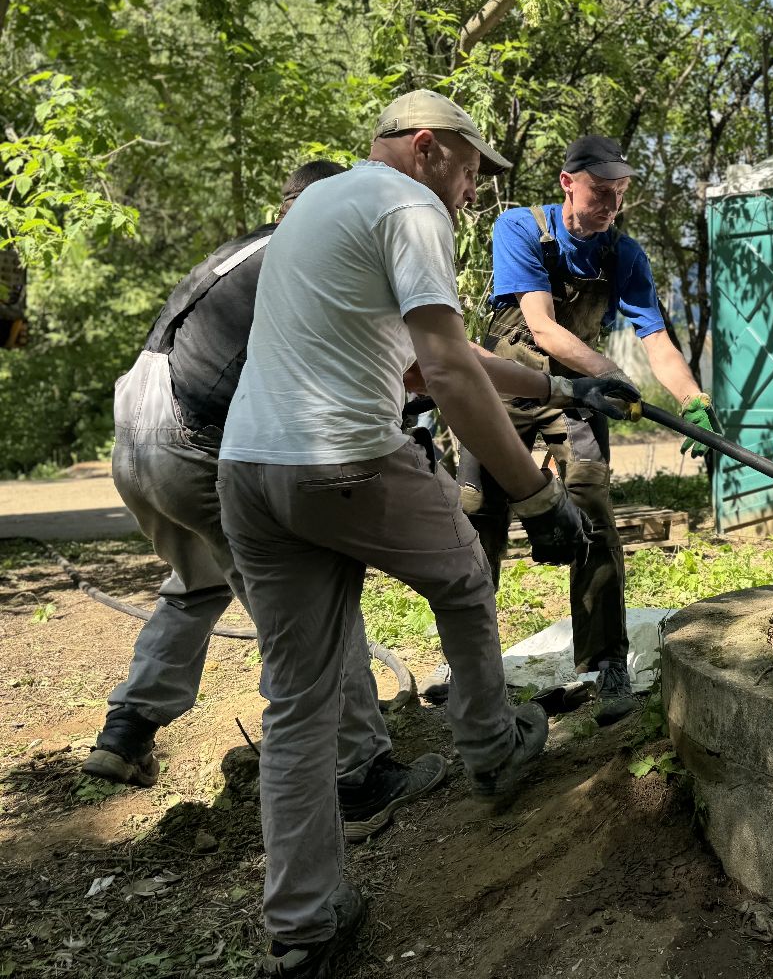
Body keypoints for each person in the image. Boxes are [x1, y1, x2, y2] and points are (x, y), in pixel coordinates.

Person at [216, 90, 639, 978]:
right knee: (461, 575)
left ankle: (304, 923)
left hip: (250, 470)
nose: (476, 191)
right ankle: (493, 747)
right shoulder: (409, 206)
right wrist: (533, 496)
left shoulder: (319, 208)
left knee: (297, 701)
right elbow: (444, 373)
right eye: (472, 168)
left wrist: (561, 393)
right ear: (427, 147)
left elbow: (415, 356)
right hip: (342, 459)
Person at [85, 160, 445, 844]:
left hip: (138, 423)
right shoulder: (311, 258)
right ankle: (361, 774)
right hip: (193, 435)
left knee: (203, 570)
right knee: (312, 587)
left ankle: (127, 728)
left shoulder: (242, 247)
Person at [451, 135, 720, 724]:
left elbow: (658, 341)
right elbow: (542, 328)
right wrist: (610, 373)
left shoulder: (623, 255)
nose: (611, 208)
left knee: (592, 507)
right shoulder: (520, 228)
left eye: (620, 196)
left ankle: (606, 664)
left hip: (579, 396)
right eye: (601, 193)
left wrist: (693, 398)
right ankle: (471, 669)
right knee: (478, 516)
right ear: (568, 182)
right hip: (502, 385)